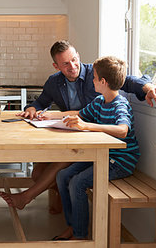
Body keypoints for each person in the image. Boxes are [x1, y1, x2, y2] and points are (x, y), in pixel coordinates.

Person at [0, 40, 156, 212]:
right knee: (37, 174)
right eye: (65, 64)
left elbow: (127, 81)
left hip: (93, 141)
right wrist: (31, 109)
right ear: (56, 66)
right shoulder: (54, 82)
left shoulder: (95, 74)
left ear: (78, 56)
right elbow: (41, 102)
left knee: (62, 169)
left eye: (74, 59)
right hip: (72, 136)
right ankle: (62, 202)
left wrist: (149, 88)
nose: (72, 66)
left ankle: (30, 198)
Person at [52, 56, 139, 240]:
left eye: (94, 77)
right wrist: (48, 116)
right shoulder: (100, 101)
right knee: (62, 175)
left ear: (103, 82)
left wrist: (87, 126)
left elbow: (123, 130)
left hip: (119, 162)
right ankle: (73, 226)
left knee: (77, 183)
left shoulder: (120, 104)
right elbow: (79, 114)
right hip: (102, 156)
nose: (92, 80)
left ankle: (80, 235)